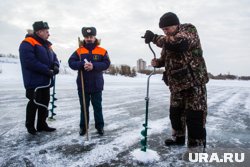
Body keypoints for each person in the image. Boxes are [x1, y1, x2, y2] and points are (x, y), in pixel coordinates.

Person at [143, 12, 209, 148]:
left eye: (167, 29)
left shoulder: (188, 30)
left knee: (194, 115)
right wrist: (158, 62)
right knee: (175, 113)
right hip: (176, 84)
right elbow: (166, 57)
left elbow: (180, 44)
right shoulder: (168, 40)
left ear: (176, 25)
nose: (165, 32)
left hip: (194, 82)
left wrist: (155, 37)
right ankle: (178, 138)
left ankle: (196, 144)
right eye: (163, 30)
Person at [19, 21, 59, 135]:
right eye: (47, 31)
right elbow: (29, 61)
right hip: (33, 81)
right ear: (39, 32)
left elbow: (55, 58)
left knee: (44, 102)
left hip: (45, 81)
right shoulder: (27, 43)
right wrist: (47, 70)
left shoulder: (47, 45)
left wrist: (55, 65)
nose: (48, 34)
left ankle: (42, 124)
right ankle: (30, 126)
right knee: (34, 102)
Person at [68, 27, 110, 136]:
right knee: (84, 108)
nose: (89, 39)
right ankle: (83, 127)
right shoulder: (79, 51)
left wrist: (94, 66)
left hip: (97, 85)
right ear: (84, 38)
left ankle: (100, 127)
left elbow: (106, 64)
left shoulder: (102, 51)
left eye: (91, 36)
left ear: (95, 37)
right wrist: (81, 64)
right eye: (87, 37)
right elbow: (71, 62)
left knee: (97, 107)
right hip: (83, 85)